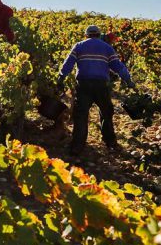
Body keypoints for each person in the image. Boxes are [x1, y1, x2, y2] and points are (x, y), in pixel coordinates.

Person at [57, 25, 136, 154]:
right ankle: (110, 142)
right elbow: (118, 66)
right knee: (106, 113)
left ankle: (78, 146)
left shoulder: (79, 46)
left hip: (83, 85)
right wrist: (128, 80)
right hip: (101, 85)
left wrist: (60, 78)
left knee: (81, 115)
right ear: (99, 35)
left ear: (86, 35)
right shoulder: (107, 48)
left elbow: (68, 64)